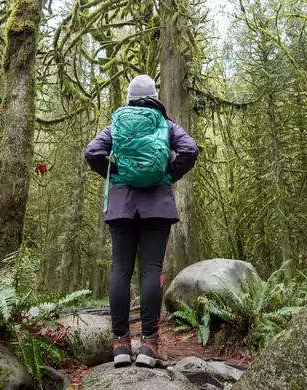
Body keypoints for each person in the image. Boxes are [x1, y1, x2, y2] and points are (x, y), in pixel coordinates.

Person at [84, 74, 199, 368]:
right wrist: (167, 175)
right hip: (157, 205)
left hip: (122, 205)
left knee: (120, 268)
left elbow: (92, 152)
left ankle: (121, 344)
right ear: (154, 95)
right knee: (152, 270)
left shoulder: (117, 123)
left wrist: (118, 174)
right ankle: (149, 344)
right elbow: (190, 150)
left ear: (130, 96)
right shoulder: (166, 125)